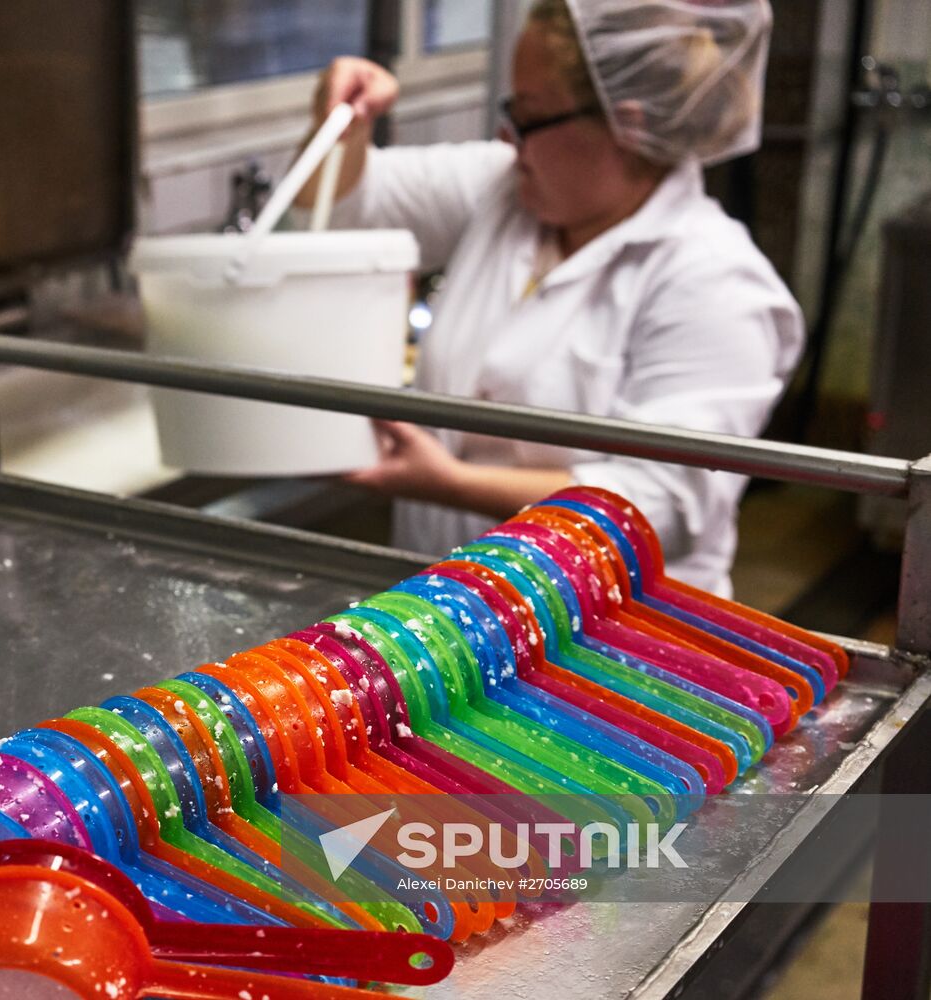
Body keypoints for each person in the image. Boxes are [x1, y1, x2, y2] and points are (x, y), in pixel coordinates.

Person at [297, 0, 801, 597]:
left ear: (628, 126)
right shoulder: (505, 189)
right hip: (448, 608)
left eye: (528, 115)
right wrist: (341, 123)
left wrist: (449, 482)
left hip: (606, 629)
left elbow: (660, 507)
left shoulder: (715, 282)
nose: (507, 136)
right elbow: (340, 208)